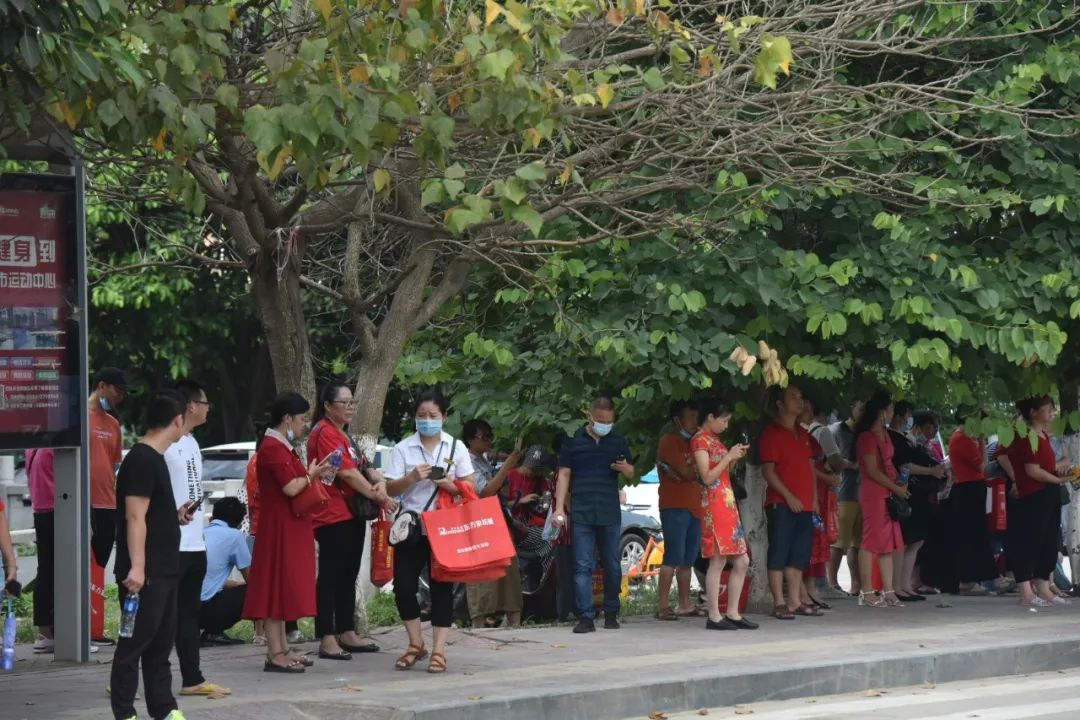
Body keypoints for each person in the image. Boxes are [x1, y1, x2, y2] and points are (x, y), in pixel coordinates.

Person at [109, 389, 190, 720]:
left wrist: (175, 515)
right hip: (145, 575)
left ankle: (164, 709)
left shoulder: (154, 459)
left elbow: (150, 513)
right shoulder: (142, 459)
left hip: (165, 569)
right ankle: (125, 712)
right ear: (177, 420)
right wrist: (138, 568)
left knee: (160, 646)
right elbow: (134, 516)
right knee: (134, 644)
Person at [384, 390, 475, 673]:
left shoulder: (455, 447)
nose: (427, 421)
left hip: (445, 529)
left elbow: (470, 486)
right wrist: (411, 478)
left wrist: (449, 484)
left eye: (432, 416)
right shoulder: (403, 448)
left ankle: (438, 650)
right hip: (412, 527)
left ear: (444, 417)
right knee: (404, 587)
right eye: (421, 416)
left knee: (441, 589)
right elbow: (389, 489)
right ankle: (415, 643)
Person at [242, 392, 330, 673]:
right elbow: (291, 487)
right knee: (273, 588)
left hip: (288, 524)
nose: (304, 424)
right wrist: (312, 475)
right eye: (302, 418)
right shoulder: (271, 447)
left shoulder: (280, 445)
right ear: (287, 418)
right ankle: (274, 652)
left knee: (281, 587)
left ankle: (281, 649)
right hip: (278, 526)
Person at [307, 382, 393, 661]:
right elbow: (348, 475)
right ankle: (327, 637)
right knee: (331, 576)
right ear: (328, 406)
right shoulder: (325, 433)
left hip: (351, 513)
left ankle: (346, 631)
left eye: (352, 402)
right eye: (343, 403)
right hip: (331, 513)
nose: (349, 408)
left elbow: (365, 468)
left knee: (348, 573)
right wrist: (379, 498)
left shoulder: (344, 436)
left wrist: (383, 484)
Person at [552, 395, 635, 634]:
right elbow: (564, 474)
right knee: (582, 565)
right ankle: (585, 616)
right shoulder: (573, 439)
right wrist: (559, 508)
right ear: (590, 416)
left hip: (609, 512)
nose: (604, 425)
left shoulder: (617, 440)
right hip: (582, 512)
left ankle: (611, 612)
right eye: (600, 420)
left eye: (609, 421)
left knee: (612, 564)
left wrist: (624, 468)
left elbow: (630, 472)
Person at [164, 380, 225, 697]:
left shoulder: (191, 442)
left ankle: (192, 679)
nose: (207, 409)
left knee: (188, 615)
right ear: (190, 406)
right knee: (158, 618)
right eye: (205, 403)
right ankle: (128, 678)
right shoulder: (164, 443)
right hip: (170, 545)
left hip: (194, 542)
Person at [691, 396, 757, 630]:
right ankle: (714, 615)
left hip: (727, 505)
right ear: (710, 417)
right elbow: (707, 477)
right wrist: (728, 457)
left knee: (742, 559)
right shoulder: (700, 441)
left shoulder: (715, 440)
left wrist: (733, 457)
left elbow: (721, 472)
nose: (726, 425)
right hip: (714, 505)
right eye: (724, 420)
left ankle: (733, 612)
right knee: (718, 559)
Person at [1003, 396, 1071, 608]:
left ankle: (1043, 586)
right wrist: (1059, 479)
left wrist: (1062, 470)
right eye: (1048, 409)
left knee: (1049, 542)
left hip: (1049, 493)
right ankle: (1026, 592)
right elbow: (1033, 471)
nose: (1052, 413)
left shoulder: (1044, 435)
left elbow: (1050, 465)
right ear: (1033, 412)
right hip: (1033, 495)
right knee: (1029, 542)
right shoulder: (1025, 435)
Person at [758, 384, 819, 620]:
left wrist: (813, 498)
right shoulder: (771, 434)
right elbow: (768, 471)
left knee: (799, 554)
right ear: (780, 404)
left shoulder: (803, 434)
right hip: (781, 504)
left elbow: (810, 469)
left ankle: (795, 600)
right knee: (779, 552)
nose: (799, 401)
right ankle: (780, 602)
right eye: (793, 397)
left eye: (800, 396)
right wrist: (789, 496)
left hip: (804, 504)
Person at [463, 418, 524, 628]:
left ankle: (514, 619)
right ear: (471, 440)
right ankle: (478, 622)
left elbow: (501, 491)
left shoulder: (484, 459)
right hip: (479, 522)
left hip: (498, 519)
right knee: (482, 574)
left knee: (509, 569)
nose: (489, 441)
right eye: (484, 437)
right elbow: (485, 491)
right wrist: (508, 465)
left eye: (491, 436)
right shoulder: (467, 461)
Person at [853, 389, 908, 609]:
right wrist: (896, 487)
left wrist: (898, 484)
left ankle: (889, 590)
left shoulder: (883, 434)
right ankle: (866, 591)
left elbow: (887, 463)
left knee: (887, 543)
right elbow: (872, 471)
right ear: (883, 410)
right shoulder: (867, 436)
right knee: (870, 542)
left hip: (887, 490)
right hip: (874, 492)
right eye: (891, 408)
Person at [886, 403, 945, 601]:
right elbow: (905, 465)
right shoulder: (895, 438)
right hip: (907, 493)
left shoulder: (906, 440)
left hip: (918, 495)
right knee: (904, 540)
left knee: (916, 541)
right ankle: (898, 585)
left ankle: (905, 585)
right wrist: (930, 471)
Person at [654, 400, 705, 621]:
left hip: (695, 506)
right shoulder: (669, 442)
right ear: (678, 420)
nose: (695, 421)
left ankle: (684, 603)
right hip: (674, 506)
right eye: (691, 417)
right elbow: (688, 472)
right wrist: (698, 470)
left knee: (688, 558)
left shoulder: (695, 442)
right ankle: (663, 606)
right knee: (673, 556)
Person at [90, 367, 127, 643]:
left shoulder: (114, 424)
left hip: (107, 503)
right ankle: (73, 626)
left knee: (100, 563)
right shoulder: (78, 417)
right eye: (118, 390)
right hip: (81, 503)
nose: (120, 397)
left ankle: (95, 626)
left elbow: (115, 465)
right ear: (102, 386)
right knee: (79, 564)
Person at [948, 410, 999, 593]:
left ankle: (979, 576)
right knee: (971, 534)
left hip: (974, 487)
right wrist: (982, 442)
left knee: (978, 532)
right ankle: (967, 579)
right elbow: (982, 465)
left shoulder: (966, 438)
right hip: (967, 488)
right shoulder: (961, 439)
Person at [799, 398, 841, 609]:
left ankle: (811, 587)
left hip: (817, 496)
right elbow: (805, 467)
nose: (803, 410)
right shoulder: (799, 436)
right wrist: (827, 478)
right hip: (805, 494)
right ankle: (804, 590)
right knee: (803, 544)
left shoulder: (809, 437)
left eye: (806, 406)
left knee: (814, 541)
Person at [199, 498, 251, 645]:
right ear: (239, 523)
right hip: (208, 611)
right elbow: (252, 581)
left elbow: (208, 578)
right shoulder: (235, 536)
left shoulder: (202, 533)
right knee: (254, 592)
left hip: (185, 608)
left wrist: (234, 585)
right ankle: (214, 631)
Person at [828, 400, 864, 594]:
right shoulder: (836, 430)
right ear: (851, 407)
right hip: (843, 492)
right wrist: (850, 465)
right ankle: (832, 583)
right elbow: (831, 459)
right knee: (839, 542)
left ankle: (856, 584)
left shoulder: (864, 433)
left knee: (856, 543)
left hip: (862, 493)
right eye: (860, 408)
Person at [25, 448, 55, 653]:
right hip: (58, 509)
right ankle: (49, 632)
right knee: (55, 572)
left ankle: (45, 632)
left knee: (46, 570)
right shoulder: (56, 447)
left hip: (40, 510)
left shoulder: (31, 447)